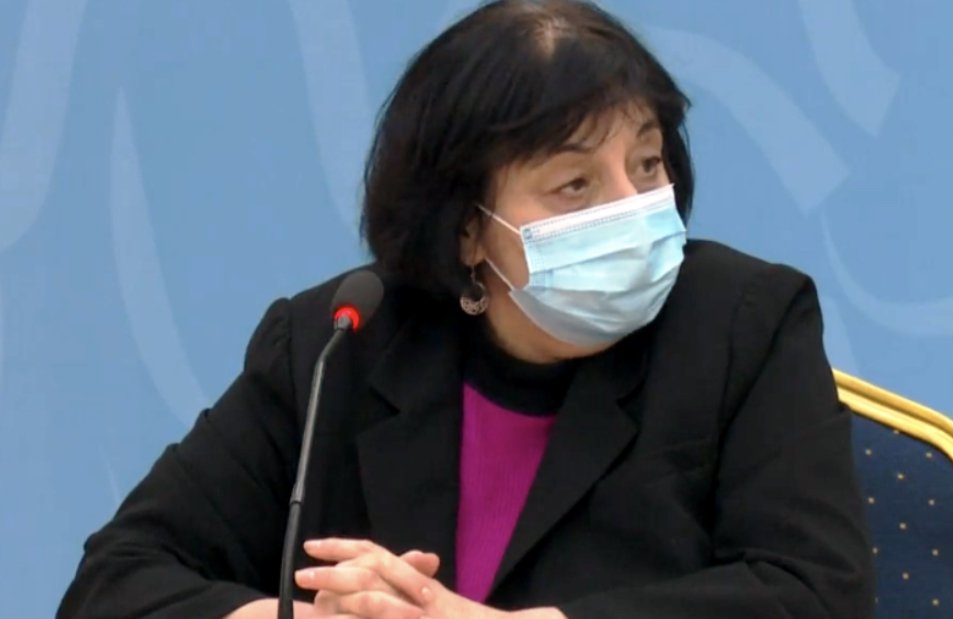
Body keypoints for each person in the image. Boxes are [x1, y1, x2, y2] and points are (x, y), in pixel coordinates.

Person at [58, 1, 874, 617]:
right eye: (575, 184)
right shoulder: (340, 339)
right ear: (467, 229)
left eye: (648, 164)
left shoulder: (743, 323)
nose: (632, 207)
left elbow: (816, 593)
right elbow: (116, 578)